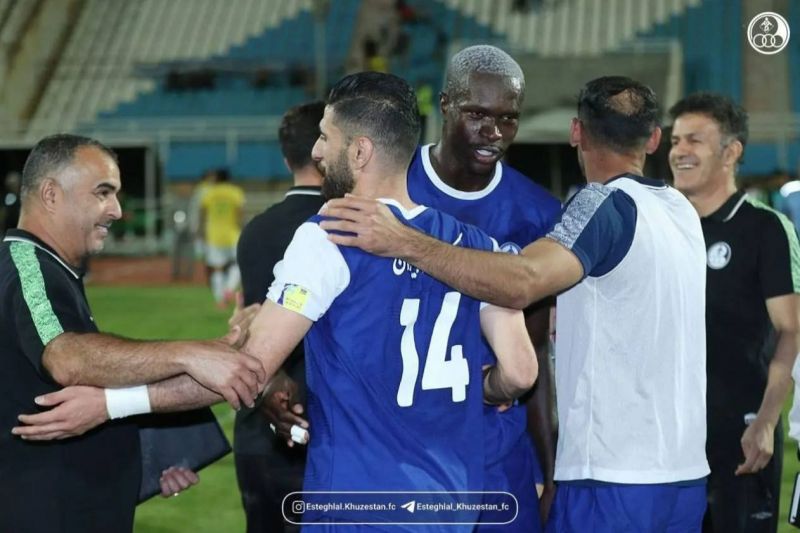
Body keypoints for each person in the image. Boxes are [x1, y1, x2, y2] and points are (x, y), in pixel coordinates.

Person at [320, 76, 711, 532]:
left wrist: (404, 241)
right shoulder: (680, 210)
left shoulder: (601, 203)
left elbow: (522, 281)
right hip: (684, 473)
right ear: (655, 138)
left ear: (576, 132)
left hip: (613, 476)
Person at [2, 134, 267, 533]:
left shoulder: (52, 267)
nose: (117, 210)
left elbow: (45, 396)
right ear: (51, 194)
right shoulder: (29, 266)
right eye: (102, 193)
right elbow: (67, 359)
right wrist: (187, 354)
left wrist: (142, 458)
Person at [406, 44, 562, 530]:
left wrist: (549, 470)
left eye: (507, 119)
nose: (493, 132)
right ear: (445, 105)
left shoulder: (537, 213)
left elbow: (535, 352)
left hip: (498, 448)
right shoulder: (391, 185)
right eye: (477, 114)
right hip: (407, 443)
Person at [668, 92, 800, 533]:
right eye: (675, 140)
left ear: (731, 152)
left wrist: (766, 421)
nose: (679, 151)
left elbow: (791, 331)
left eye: (694, 140)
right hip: (667, 438)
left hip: (742, 435)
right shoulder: (663, 229)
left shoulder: (764, 229)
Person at [234, 100, 326, 533]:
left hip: (258, 427)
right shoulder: (351, 225)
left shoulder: (255, 230)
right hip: (326, 428)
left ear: (286, 158)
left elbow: (247, 320)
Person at [200, 167, 244, 307]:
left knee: (217, 268)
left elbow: (203, 214)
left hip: (214, 235)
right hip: (232, 234)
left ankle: (220, 299)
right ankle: (229, 289)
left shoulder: (209, 193)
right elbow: (239, 214)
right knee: (238, 264)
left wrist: (201, 232)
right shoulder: (235, 192)